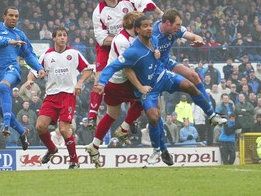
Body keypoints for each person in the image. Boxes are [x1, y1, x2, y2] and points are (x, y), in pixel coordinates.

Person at [93, 15, 217, 167]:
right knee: (154, 116)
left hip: (161, 76)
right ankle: (158, 148)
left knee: (190, 84)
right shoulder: (129, 48)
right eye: (145, 26)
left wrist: (157, 52)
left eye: (150, 25)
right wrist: (102, 82)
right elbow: (117, 67)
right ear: (137, 29)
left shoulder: (154, 39)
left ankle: (211, 114)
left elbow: (159, 45)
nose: (149, 28)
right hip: (144, 87)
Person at [87, 0, 163, 129]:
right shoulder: (99, 12)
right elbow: (101, 38)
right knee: (99, 77)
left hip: (129, 43)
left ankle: (131, 120)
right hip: (108, 46)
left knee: (135, 78)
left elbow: (148, 3)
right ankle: (91, 116)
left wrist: (163, 15)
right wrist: (121, 38)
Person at [85, 12, 148, 166]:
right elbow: (127, 68)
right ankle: (125, 129)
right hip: (119, 83)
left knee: (112, 114)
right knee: (145, 97)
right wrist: (140, 85)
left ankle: (94, 146)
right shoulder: (122, 41)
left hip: (115, 83)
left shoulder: (131, 37)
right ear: (135, 25)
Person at [27, 26, 92, 169]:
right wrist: (30, 80)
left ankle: (74, 161)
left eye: (65, 35)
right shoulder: (47, 55)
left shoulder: (74, 53)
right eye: (60, 35)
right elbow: (33, 70)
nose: (63, 37)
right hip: (51, 96)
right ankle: (51, 149)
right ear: (54, 38)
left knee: (63, 129)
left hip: (68, 95)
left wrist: (80, 82)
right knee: (40, 127)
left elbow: (87, 69)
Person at [0, 6, 45, 150]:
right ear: (4, 16)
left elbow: (28, 54)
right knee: (1, 109)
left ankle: (5, 125)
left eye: (16, 16)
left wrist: (39, 68)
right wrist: (8, 42)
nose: (14, 18)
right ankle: (22, 132)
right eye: (11, 15)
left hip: (11, 69)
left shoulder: (20, 35)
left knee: (5, 87)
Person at [150, 9, 226, 126]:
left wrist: (199, 40)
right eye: (178, 25)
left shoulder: (176, 30)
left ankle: (211, 114)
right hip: (153, 69)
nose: (180, 27)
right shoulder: (152, 33)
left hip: (166, 62)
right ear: (168, 23)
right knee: (156, 112)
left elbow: (194, 36)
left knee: (194, 76)